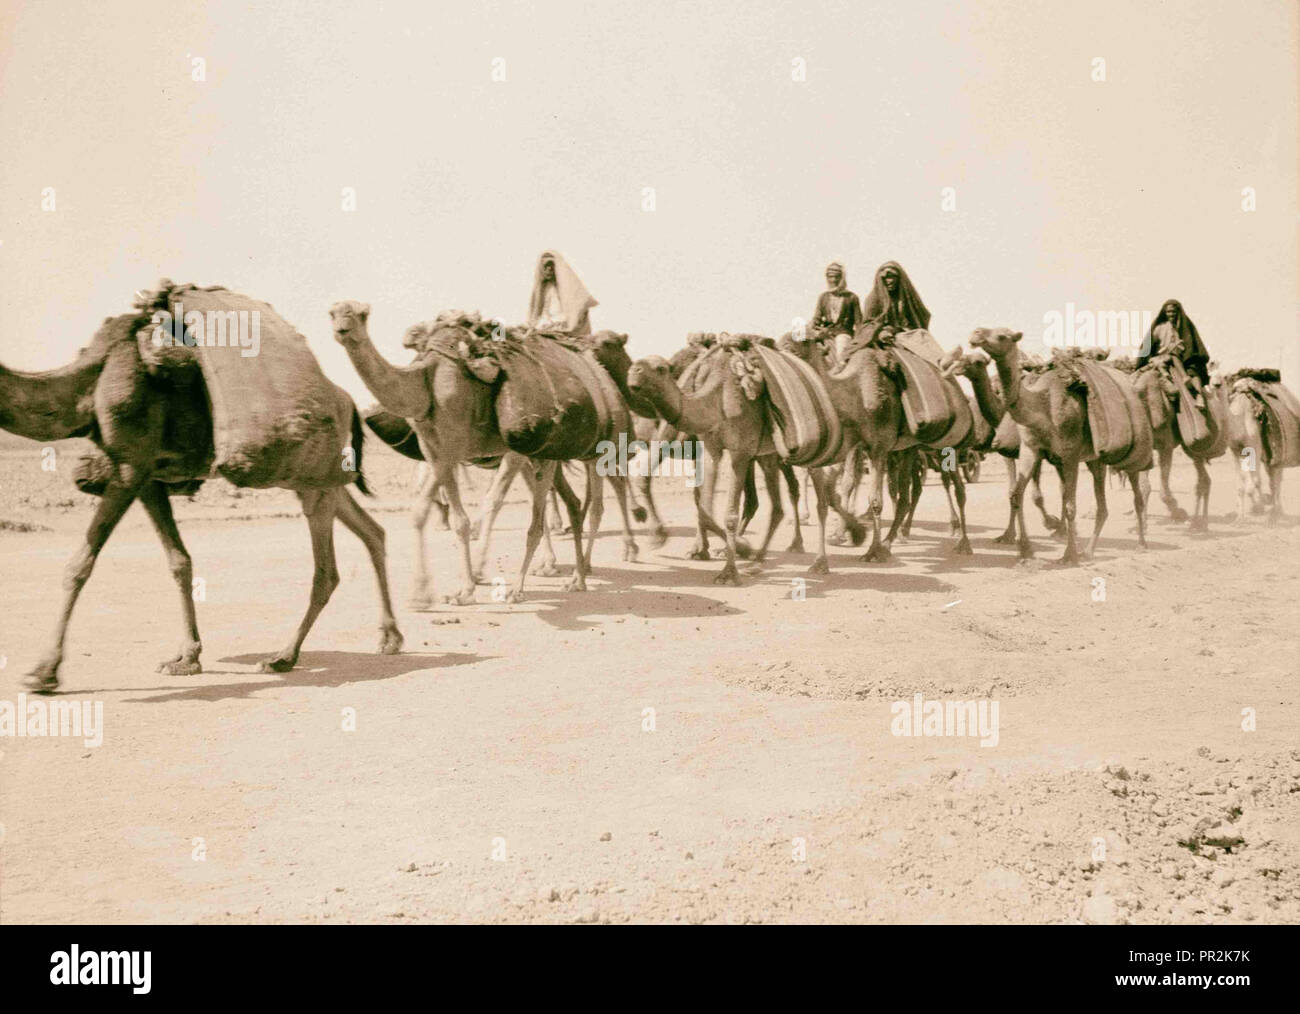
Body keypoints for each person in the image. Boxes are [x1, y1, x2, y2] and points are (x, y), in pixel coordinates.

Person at [1137, 299, 1210, 388]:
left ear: (1178, 312)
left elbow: (1191, 344)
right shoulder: (1160, 328)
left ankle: (1197, 394)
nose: (1171, 314)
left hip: (1183, 358)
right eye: (1168, 312)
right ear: (1165, 313)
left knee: (1193, 370)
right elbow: (1150, 343)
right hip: (1163, 357)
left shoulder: (1184, 327)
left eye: (1173, 312)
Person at [527, 250, 598, 336]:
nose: (549, 271)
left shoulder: (566, 286)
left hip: (560, 322)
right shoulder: (542, 288)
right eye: (545, 267)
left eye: (552, 267)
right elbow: (537, 310)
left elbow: (581, 301)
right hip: (545, 322)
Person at [860, 260, 931, 335]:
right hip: (882, 336)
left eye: (892, 277)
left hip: (907, 333)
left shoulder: (907, 298)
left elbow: (919, 317)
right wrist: (881, 332)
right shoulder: (873, 299)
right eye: (885, 278)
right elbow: (867, 325)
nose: (889, 281)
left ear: (899, 278)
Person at [810, 262, 861, 342]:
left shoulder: (852, 297)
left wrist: (859, 339)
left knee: (841, 342)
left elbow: (859, 322)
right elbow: (817, 318)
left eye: (837, 277)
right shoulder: (823, 297)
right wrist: (811, 326)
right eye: (830, 277)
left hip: (844, 334)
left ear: (842, 278)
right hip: (826, 332)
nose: (833, 280)